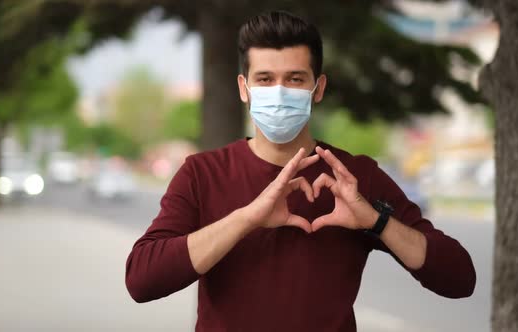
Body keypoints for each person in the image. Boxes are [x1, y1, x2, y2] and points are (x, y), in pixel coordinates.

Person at [125, 10, 476, 332]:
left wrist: (375, 221)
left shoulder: (353, 178)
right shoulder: (203, 173)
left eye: (294, 79)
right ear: (243, 89)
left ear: (317, 88)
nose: (279, 92)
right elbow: (142, 280)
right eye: (264, 79)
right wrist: (246, 218)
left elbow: (459, 278)